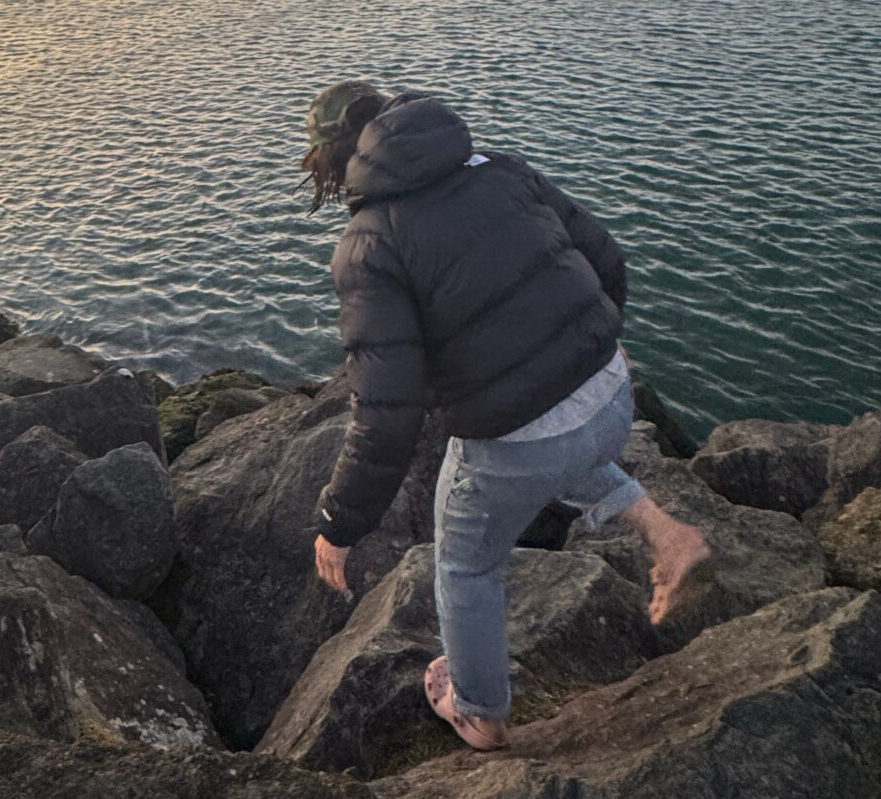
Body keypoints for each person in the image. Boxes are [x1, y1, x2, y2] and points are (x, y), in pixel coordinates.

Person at [302, 80, 713, 752]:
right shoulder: (499, 167)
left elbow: (387, 410)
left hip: (521, 443)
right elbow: (608, 257)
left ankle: (479, 711)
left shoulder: (367, 244)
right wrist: (595, 346)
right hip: (611, 395)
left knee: (465, 564)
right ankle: (669, 535)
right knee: (559, 443)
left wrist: (339, 523)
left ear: (335, 159)